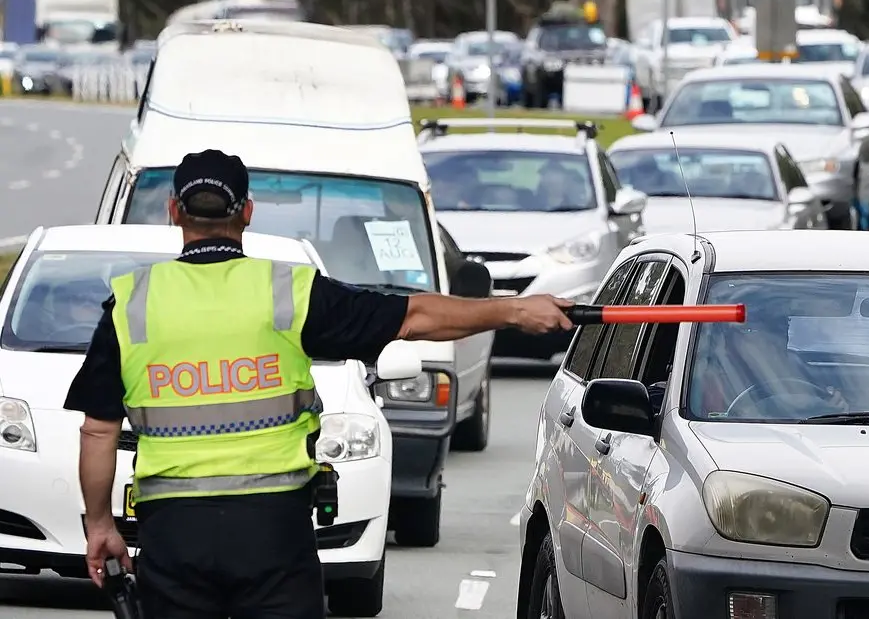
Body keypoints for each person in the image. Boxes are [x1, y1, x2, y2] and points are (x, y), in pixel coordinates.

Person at [65, 149, 574, 618]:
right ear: (247, 212)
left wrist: (100, 526)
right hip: (273, 532)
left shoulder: (132, 304)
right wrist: (513, 310)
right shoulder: (289, 292)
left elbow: (97, 432)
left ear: (174, 211)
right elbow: (413, 316)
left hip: (173, 533)